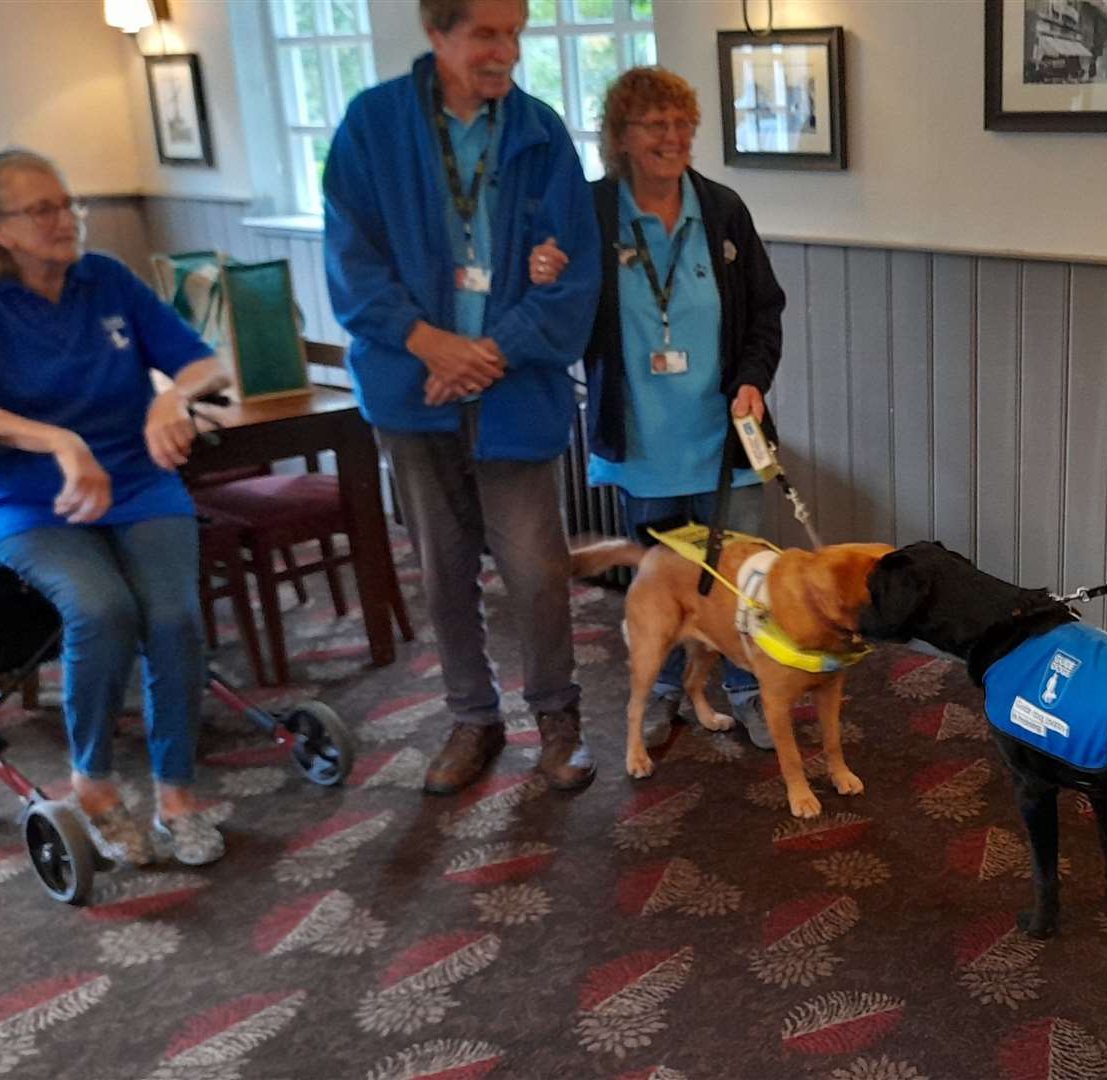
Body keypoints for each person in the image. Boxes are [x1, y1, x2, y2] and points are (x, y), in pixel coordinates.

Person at [323, 0, 603, 795]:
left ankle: (557, 720)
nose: (507, 52)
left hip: (515, 391)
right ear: (437, 33)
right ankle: (471, 718)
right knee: (444, 571)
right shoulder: (372, 126)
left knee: (538, 570)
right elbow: (352, 264)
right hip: (413, 389)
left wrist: (486, 353)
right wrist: (428, 344)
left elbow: (574, 269)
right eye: (488, 33)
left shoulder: (541, 131)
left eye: (517, 33)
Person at [0, 149, 231, 867]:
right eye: (40, 209)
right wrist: (58, 440)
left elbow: (207, 363)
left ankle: (176, 792)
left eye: (66, 203)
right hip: (22, 496)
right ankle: (95, 781)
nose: (64, 219)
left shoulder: (105, 278)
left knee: (172, 615)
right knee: (101, 606)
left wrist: (172, 394)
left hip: (137, 483)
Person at [531, 66, 786, 751]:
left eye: (681, 124)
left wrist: (754, 378)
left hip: (725, 437)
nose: (671, 137)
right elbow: (563, 307)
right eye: (653, 125)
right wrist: (547, 274)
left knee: (743, 579)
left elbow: (766, 309)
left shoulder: (723, 210)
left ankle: (749, 689)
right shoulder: (591, 213)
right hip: (644, 441)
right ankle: (667, 687)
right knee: (661, 578)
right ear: (619, 137)